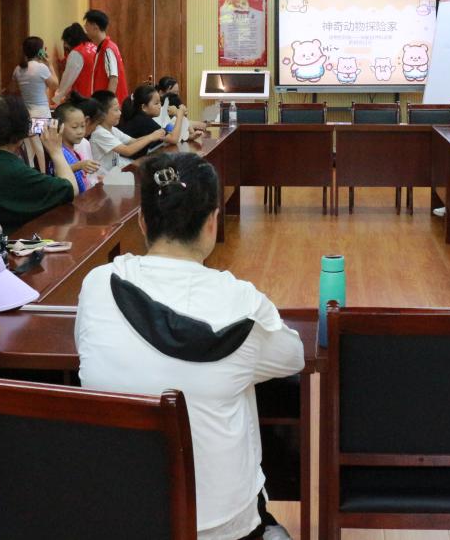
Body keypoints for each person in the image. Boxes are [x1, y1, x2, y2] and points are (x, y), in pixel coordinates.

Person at [75, 152, 304, 540]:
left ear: (143, 221)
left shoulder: (98, 285)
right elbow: (293, 357)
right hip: (223, 527)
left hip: (120, 517)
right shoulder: (243, 303)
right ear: (212, 223)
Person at [0, 95, 79, 232]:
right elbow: (71, 189)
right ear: (20, 132)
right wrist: (56, 151)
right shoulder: (14, 171)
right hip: (13, 239)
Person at [13, 36, 58, 171]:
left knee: (30, 151)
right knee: (40, 149)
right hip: (41, 115)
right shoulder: (41, 68)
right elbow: (55, 85)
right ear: (40, 51)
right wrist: (50, 65)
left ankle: (30, 173)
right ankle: (43, 174)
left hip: (26, 115)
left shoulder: (18, 69)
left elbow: (13, 89)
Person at [119, 84, 186, 158]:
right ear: (144, 107)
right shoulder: (143, 120)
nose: (160, 106)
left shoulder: (140, 117)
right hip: (129, 162)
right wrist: (180, 115)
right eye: (156, 103)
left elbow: (165, 136)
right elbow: (173, 139)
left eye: (160, 102)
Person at [50, 99, 97, 192]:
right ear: (59, 126)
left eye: (83, 126)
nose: (80, 131)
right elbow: (56, 174)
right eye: (74, 127)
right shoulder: (58, 151)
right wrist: (78, 166)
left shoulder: (75, 152)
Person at [83, 9, 129, 102]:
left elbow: (113, 79)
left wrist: (107, 105)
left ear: (95, 27)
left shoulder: (108, 49)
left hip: (111, 106)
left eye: (87, 24)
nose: (85, 28)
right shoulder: (102, 48)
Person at [53, 23, 96, 107]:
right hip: (96, 96)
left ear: (69, 40)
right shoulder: (94, 47)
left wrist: (57, 99)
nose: (65, 45)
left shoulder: (77, 53)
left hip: (82, 98)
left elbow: (68, 79)